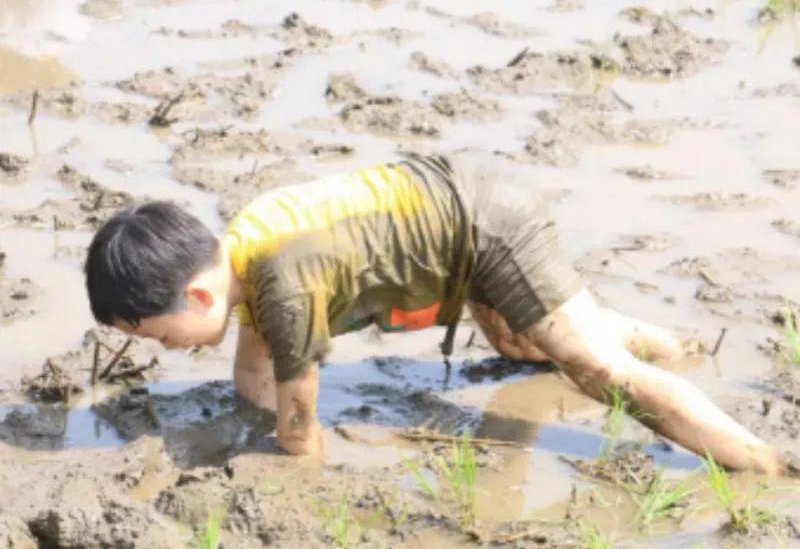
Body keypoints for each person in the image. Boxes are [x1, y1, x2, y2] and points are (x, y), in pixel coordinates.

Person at [84, 150, 787, 473]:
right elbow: (254, 380)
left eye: (157, 335)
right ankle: (663, 341)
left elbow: (299, 431)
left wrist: (288, 479)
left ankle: (763, 466)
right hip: (454, 216)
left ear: (200, 296)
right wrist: (241, 425)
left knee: (596, 371)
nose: (164, 350)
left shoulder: (283, 287)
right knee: (522, 348)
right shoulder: (247, 251)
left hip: (486, 226)